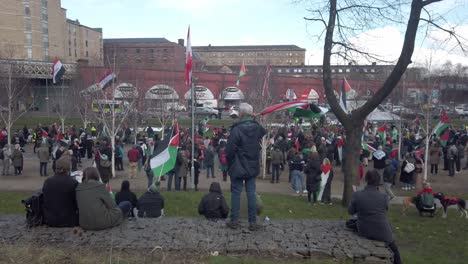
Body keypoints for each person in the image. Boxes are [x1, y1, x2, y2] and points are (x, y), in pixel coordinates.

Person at [225, 103, 266, 231]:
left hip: (238, 164)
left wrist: (230, 163)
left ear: (241, 114)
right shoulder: (256, 128)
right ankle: (252, 221)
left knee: (236, 193)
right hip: (252, 164)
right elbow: (263, 131)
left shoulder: (236, 129)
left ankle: (234, 220)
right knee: (251, 193)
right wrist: (255, 119)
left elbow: (230, 150)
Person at [348, 170, 402, 264]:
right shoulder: (384, 196)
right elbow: (386, 209)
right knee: (394, 249)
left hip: (364, 229)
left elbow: (351, 211)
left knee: (350, 222)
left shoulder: (357, 194)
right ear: (378, 181)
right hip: (383, 231)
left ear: (366, 180)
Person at [42, 155, 79, 227]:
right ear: (69, 167)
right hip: (68, 220)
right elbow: (77, 202)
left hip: (50, 219)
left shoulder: (48, 181)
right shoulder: (73, 182)